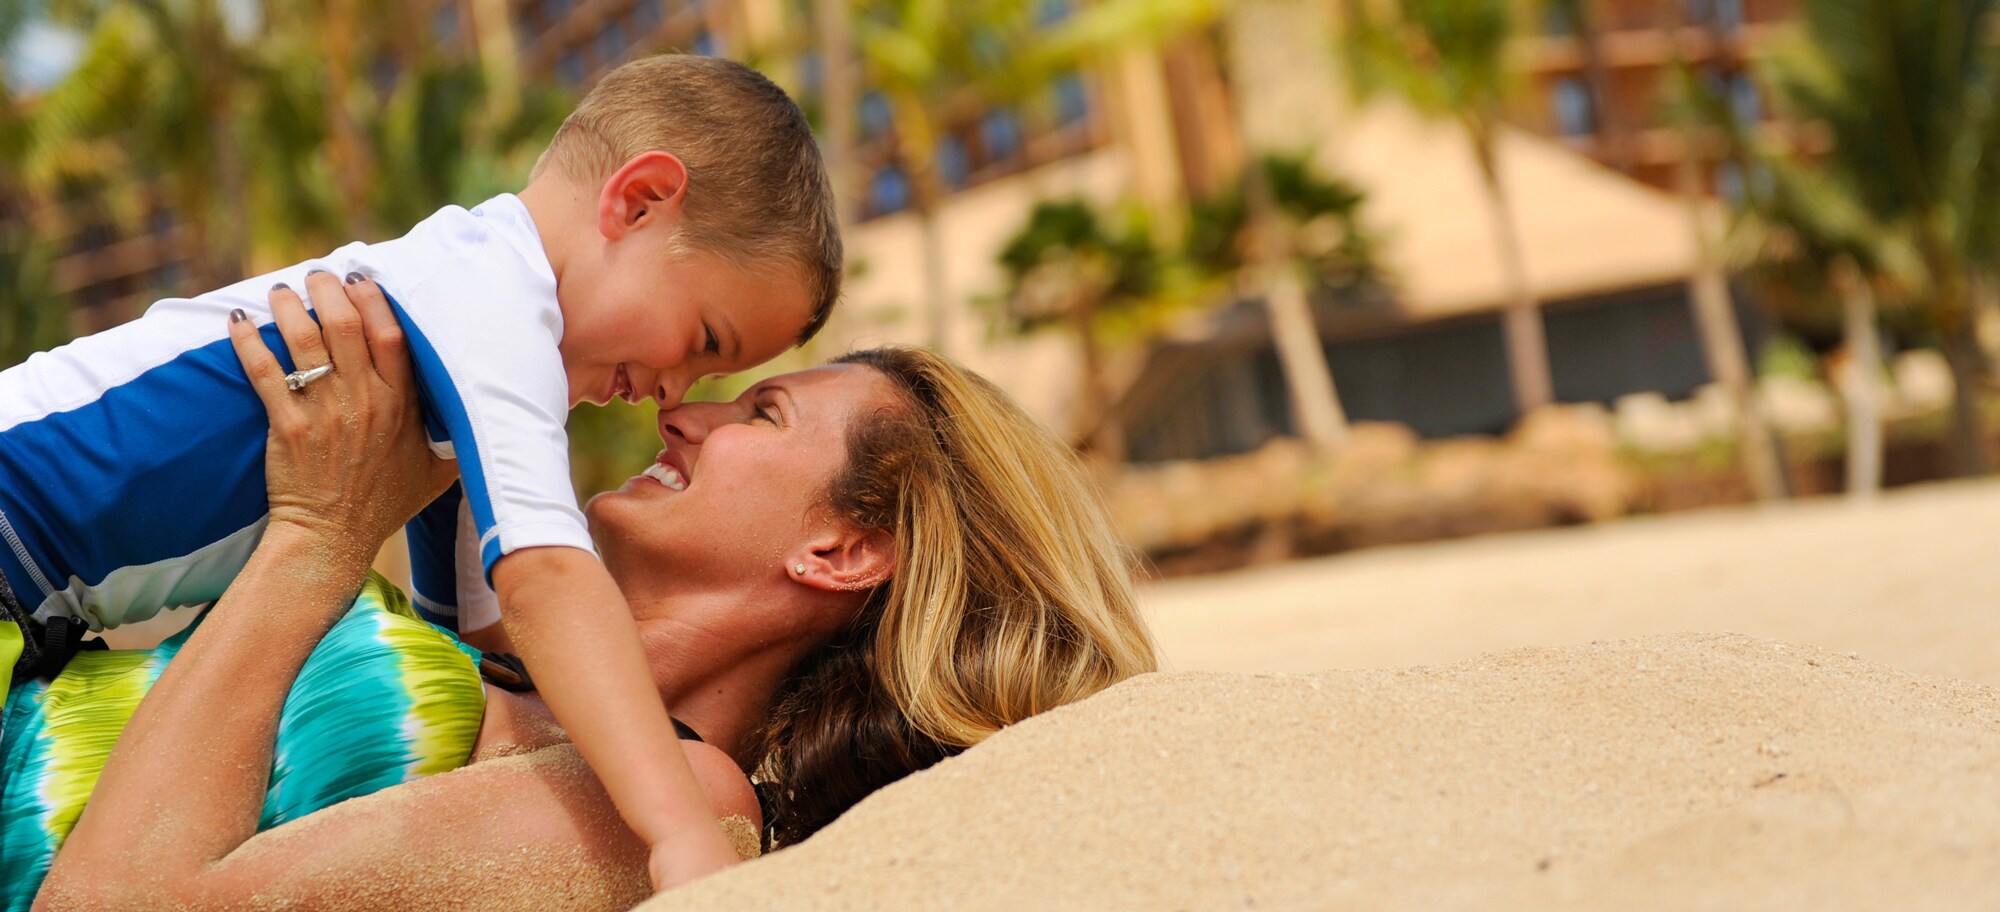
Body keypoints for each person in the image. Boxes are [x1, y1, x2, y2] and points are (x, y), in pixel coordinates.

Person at [14, 279, 1157, 911]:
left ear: (842, 550)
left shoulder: (678, 804)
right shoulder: (503, 660)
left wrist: (320, 538)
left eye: (759, 413)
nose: (680, 412)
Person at [0, 55, 840, 885]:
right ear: (638, 200)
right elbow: (544, 578)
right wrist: (678, 828)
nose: (673, 395)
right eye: (706, 341)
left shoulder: (457, 344)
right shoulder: (491, 301)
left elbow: (472, 631)